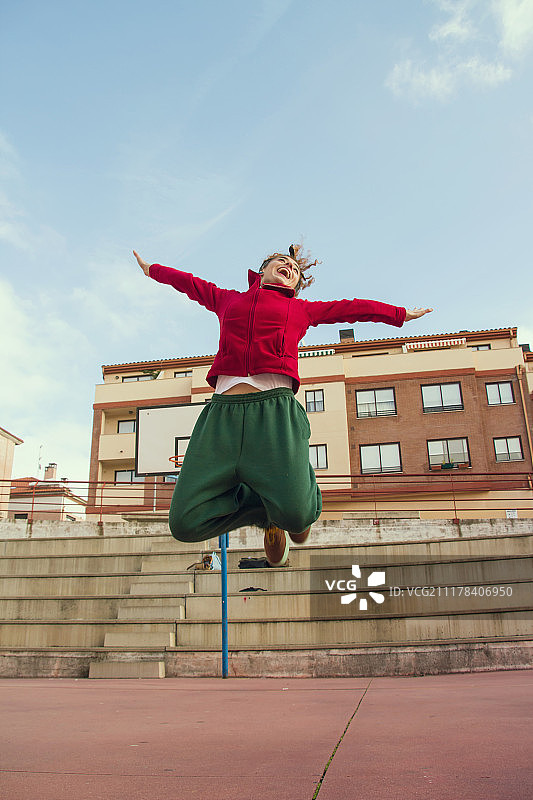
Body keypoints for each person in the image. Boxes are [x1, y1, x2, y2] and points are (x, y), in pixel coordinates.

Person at [133, 246, 432, 565]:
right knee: (184, 524)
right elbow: (190, 283)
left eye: (295, 269)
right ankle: (266, 511)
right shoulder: (228, 299)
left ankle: (289, 509)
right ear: (262, 270)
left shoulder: (302, 310)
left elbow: (352, 308)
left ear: (295, 284)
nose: (288, 266)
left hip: (274, 412)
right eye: (281, 262)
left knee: (299, 515)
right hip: (222, 415)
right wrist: (153, 269)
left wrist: (400, 314)